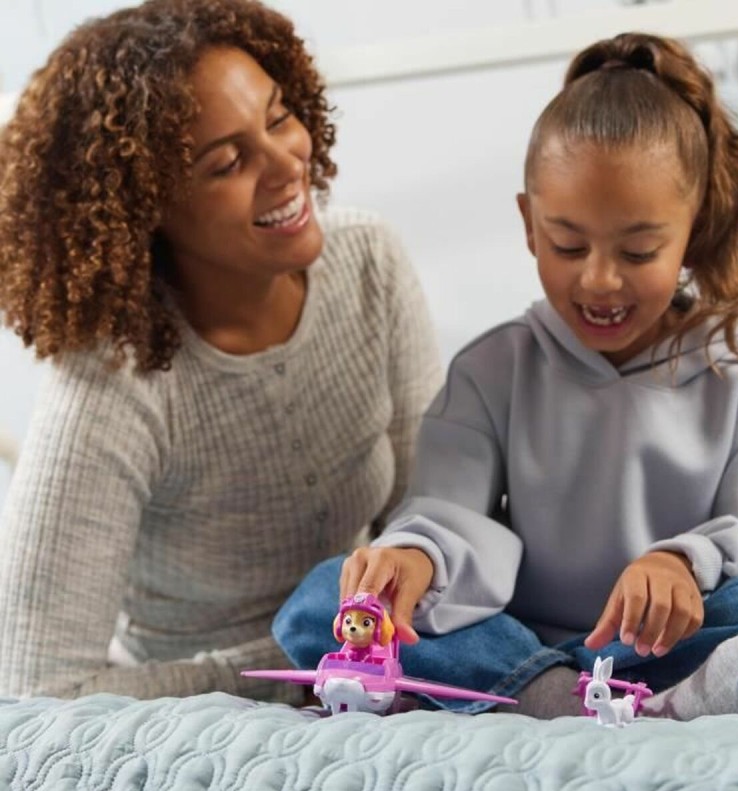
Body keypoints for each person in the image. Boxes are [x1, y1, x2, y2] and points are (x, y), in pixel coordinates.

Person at [275, 32, 738, 719]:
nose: (600, 279)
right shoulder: (492, 370)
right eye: (568, 245)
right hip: (514, 642)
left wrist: (684, 563)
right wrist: (414, 558)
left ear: (693, 229)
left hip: (669, 647)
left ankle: (580, 695)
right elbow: (448, 512)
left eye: (639, 251)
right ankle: (571, 698)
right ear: (529, 224)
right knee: (325, 600)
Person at [0, 0, 441, 700]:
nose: (286, 164)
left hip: (369, 676)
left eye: (279, 118)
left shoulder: (370, 265)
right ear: (143, 208)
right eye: (228, 162)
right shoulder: (111, 383)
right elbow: (34, 691)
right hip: (196, 716)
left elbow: (430, 519)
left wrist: (377, 637)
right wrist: (305, 659)